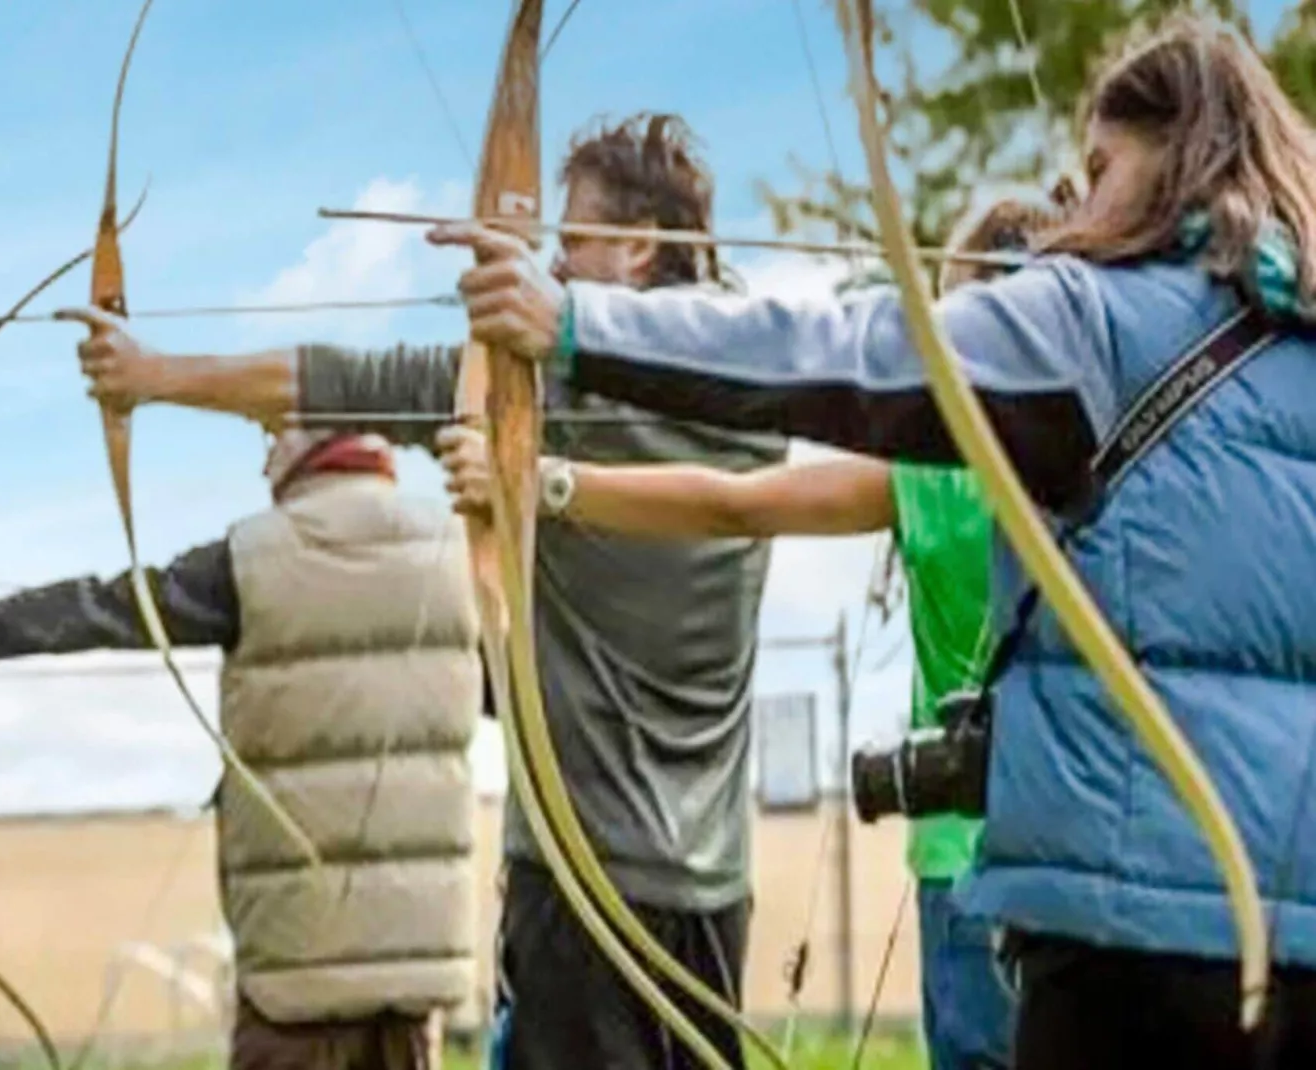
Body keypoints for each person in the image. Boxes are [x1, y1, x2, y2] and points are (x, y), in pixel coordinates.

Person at [427, 15, 1316, 1070]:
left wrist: (575, 322)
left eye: (1100, 165)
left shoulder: (1091, 318)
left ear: (1174, 160)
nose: (1078, 202)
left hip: (1123, 932)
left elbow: (848, 350)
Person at [62, 112, 790, 1070]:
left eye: (570, 246)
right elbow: (352, 381)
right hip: (710, 886)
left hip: (581, 888)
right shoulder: (762, 390)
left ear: (642, 244)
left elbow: (347, 381)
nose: (555, 271)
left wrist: (154, 375)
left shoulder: (557, 400)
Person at [438, 197, 1050, 1070]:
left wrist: (546, 482)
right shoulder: (1110, 452)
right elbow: (734, 501)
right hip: (1072, 856)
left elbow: (735, 505)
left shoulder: (933, 469)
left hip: (965, 853)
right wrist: (538, 480)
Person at [0, 429, 481, 1070]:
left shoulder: (257, 558)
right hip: (413, 999)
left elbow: (104, 608)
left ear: (317, 436)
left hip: (295, 987)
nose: (265, 454)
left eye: (275, 432)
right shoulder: (456, 555)